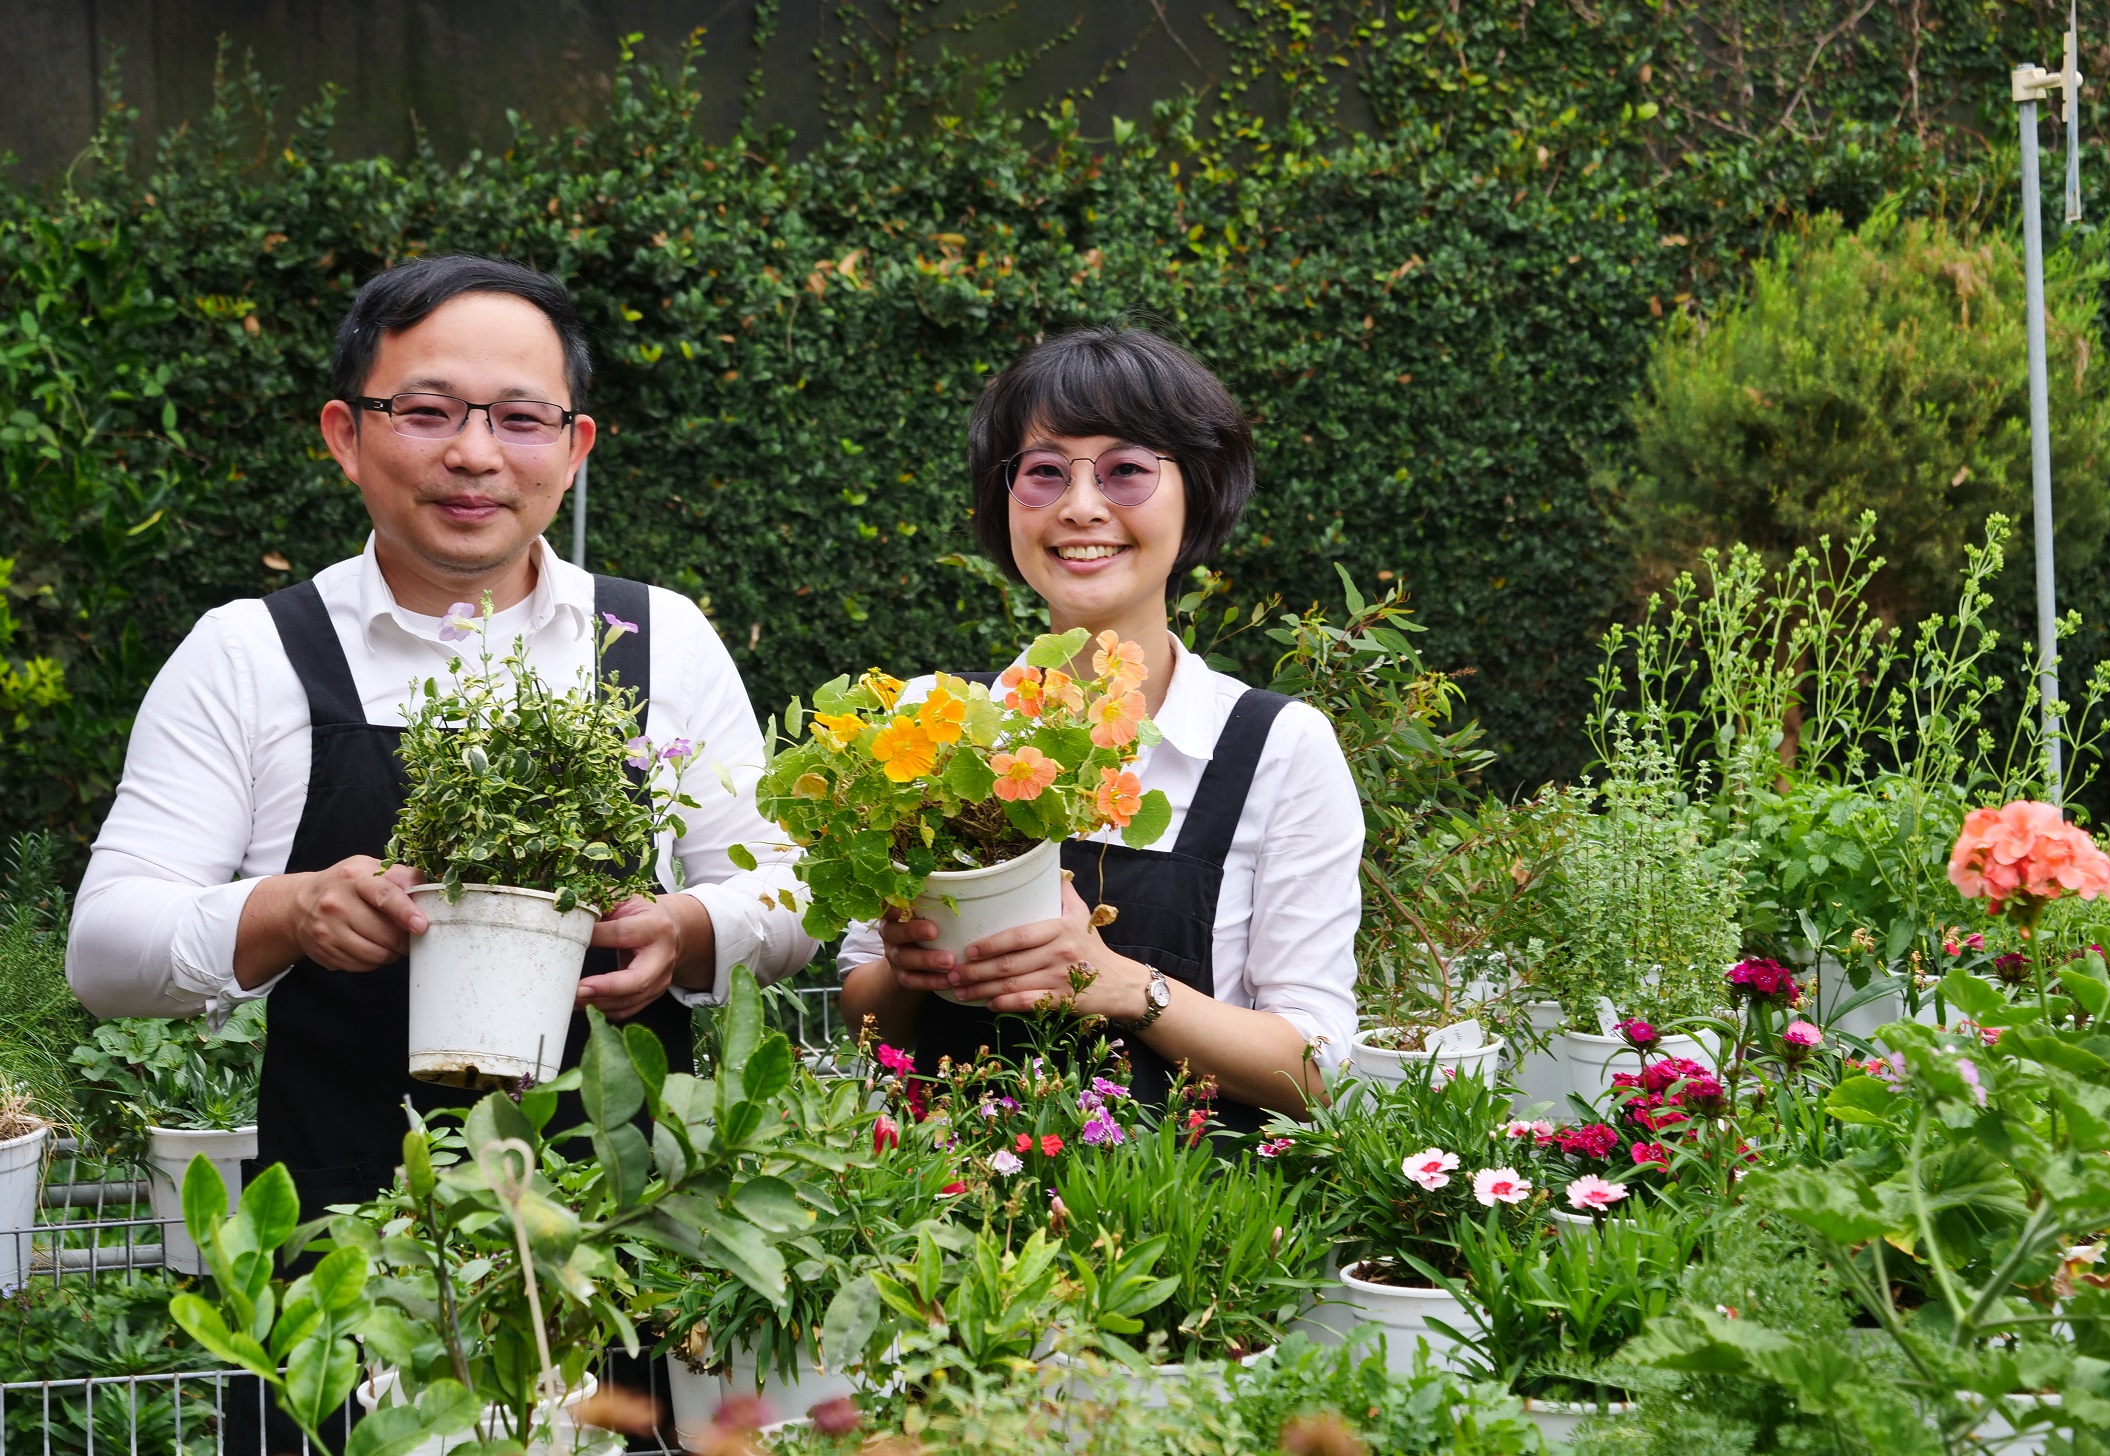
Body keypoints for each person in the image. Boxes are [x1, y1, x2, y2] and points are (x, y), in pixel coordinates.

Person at [67, 253, 816, 1220]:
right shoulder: (250, 654)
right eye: (426, 412)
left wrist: (688, 930)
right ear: (346, 435)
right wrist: (288, 912)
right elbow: (105, 949)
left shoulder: (658, 639)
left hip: (619, 1237)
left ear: (575, 445)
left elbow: (790, 893)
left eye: (519, 417)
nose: (475, 454)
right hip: (345, 1251)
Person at [837, 327, 1362, 1128]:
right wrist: (909, 970)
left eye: (1126, 471)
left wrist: (1116, 982)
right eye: (1044, 473)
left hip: (1187, 1230)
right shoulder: (929, 725)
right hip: (939, 1226)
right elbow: (870, 1023)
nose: (1082, 507)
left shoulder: (1278, 749)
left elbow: (1317, 1073)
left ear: (1199, 494)